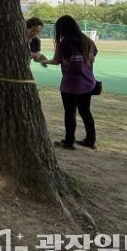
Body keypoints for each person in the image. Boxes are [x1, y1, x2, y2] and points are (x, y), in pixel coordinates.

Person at [40, 15, 98, 150]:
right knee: (85, 112)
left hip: (70, 85)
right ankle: (90, 140)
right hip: (87, 83)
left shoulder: (64, 45)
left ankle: (69, 141)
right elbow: (93, 58)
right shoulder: (88, 41)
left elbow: (55, 61)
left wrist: (44, 61)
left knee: (70, 113)